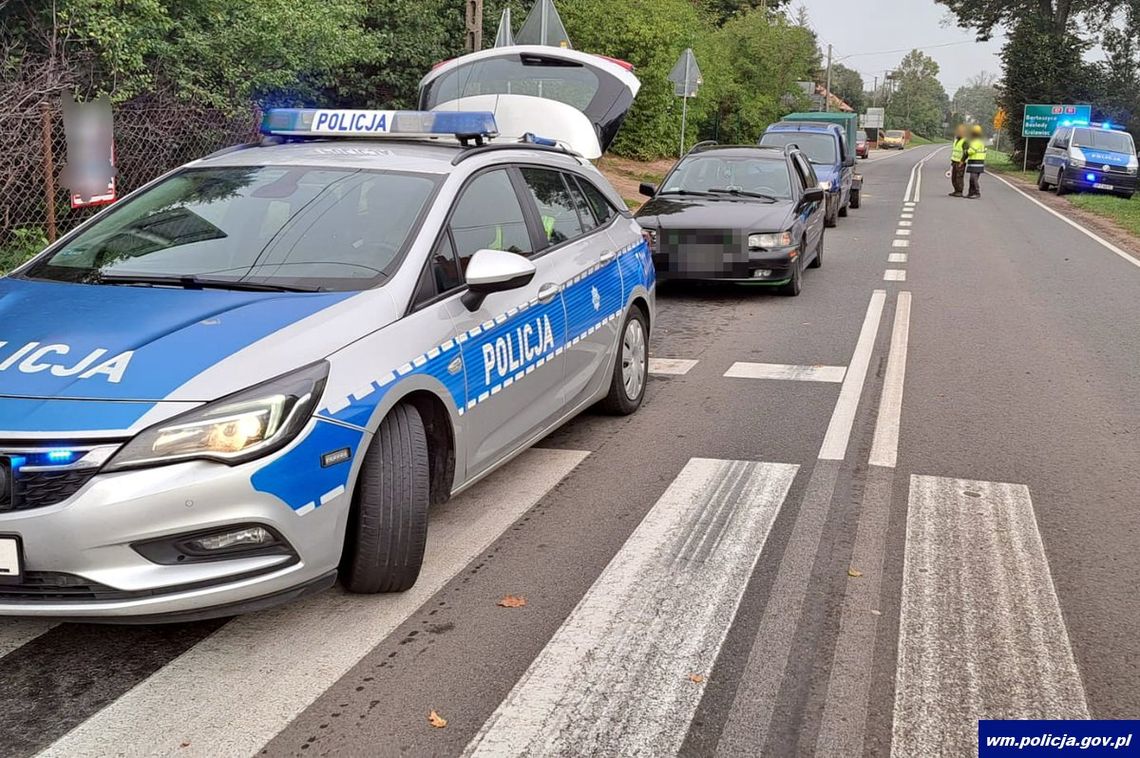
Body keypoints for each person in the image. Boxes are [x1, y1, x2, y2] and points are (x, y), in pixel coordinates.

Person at [966, 124, 987, 199]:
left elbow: (971, 151)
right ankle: (970, 193)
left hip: (976, 162)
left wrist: (966, 152)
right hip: (976, 162)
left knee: (973, 178)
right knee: (972, 178)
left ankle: (976, 193)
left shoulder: (976, 141)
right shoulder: (979, 141)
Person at [948, 125, 967, 197]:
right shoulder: (956, 140)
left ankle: (959, 191)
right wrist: (952, 161)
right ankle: (956, 190)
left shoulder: (965, 141)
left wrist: (962, 161)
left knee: (959, 177)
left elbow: (965, 153)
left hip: (960, 162)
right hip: (954, 161)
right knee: (954, 177)